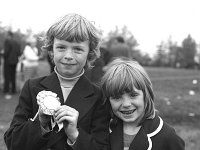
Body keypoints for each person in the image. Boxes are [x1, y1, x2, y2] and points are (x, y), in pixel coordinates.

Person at [4, 13, 110, 150]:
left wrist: (75, 135)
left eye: (78, 49)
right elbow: (13, 143)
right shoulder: (32, 87)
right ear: (51, 49)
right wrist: (40, 124)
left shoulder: (98, 96)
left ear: (89, 52)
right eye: (61, 47)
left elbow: (102, 147)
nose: (68, 56)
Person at [101, 57, 185, 150]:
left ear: (146, 95)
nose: (126, 104)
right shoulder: (103, 131)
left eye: (133, 95)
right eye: (117, 97)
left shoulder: (167, 137)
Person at [3, 31, 21, 99]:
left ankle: (7, 90)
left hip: (8, 61)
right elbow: (19, 53)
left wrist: (3, 54)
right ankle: (13, 90)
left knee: (7, 76)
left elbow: (6, 52)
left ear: (8, 35)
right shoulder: (17, 42)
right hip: (15, 62)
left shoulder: (7, 41)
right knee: (13, 76)